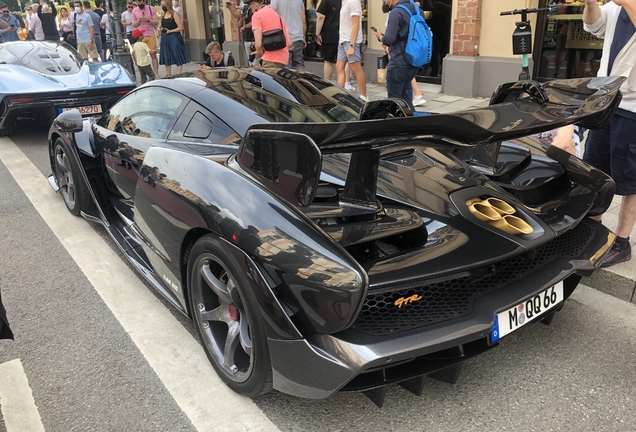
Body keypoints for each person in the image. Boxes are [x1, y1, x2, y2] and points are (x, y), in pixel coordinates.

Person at [582, 0, 636, 267]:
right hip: (606, 98)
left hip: (635, 107)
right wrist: (590, 3)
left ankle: (622, 243)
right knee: (595, 171)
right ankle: (594, 231)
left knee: (631, 179)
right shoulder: (615, 8)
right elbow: (593, 25)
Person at [373, 0, 420, 111]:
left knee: (394, 103)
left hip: (399, 61)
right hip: (413, 61)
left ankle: (397, 126)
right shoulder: (416, 9)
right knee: (406, 99)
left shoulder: (396, 12)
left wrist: (380, 36)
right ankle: (411, 124)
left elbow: (389, 39)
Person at [336, 0, 367, 101]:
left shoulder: (352, 2)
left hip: (350, 40)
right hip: (343, 39)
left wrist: (352, 45)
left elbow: (356, 25)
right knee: (339, 67)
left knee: (356, 68)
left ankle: (363, 96)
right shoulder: (345, 2)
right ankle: (340, 95)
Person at [251, 0, 290, 68]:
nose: (251, 11)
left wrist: (261, 54)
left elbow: (258, 44)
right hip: (284, 59)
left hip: (269, 59)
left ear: (255, 4)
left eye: (250, 7)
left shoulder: (257, 16)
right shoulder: (278, 16)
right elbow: (289, 42)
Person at [271, 0, 305, 69]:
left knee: (286, 65)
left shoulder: (275, 1)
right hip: (298, 36)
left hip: (284, 37)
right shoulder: (299, 1)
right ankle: (300, 79)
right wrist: (304, 37)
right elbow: (303, 20)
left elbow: (274, 18)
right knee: (299, 63)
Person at [159, 0, 189, 76]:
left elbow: (181, 27)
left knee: (177, 53)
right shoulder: (163, 14)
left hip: (174, 36)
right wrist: (159, 29)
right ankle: (168, 74)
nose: (163, 7)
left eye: (164, 5)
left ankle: (178, 73)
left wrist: (171, 31)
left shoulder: (174, 14)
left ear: (168, 5)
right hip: (165, 37)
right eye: (162, 5)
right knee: (166, 54)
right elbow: (159, 25)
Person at [225, 0, 256, 66]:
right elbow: (238, 21)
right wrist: (230, 8)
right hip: (246, 37)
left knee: (256, 61)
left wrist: (245, 26)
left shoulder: (254, 8)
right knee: (249, 60)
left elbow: (254, 22)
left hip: (254, 37)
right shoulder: (244, 7)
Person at [132, 0, 159, 75]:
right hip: (140, 36)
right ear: (136, 2)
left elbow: (156, 22)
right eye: (139, 2)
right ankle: (143, 74)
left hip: (150, 34)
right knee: (140, 56)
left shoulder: (151, 8)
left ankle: (156, 73)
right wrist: (138, 21)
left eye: (142, 2)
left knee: (153, 54)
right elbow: (134, 25)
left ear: (145, 1)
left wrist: (147, 20)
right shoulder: (134, 10)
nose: (140, 4)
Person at [315, 0, 340, 80]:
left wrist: (317, 33)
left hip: (329, 34)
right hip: (343, 34)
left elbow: (321, 17)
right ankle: (344, 83)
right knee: (343, 61)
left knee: (328, 61)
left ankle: (327, 81)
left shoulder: (326, 1)